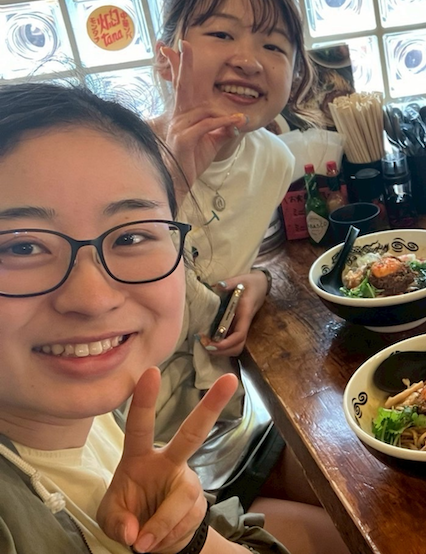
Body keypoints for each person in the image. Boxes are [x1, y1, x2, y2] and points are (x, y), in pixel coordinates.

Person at [0, 81, 311, 553]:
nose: (92, 298)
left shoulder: (97, 412)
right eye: (21, 246)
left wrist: (184, 539)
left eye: (128, 237)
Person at [146, 0, 341, 522]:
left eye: (275, 46)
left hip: (220, 419)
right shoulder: (122, 159)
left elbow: (234, 259)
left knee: (375, 497)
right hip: (123, 445)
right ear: (168, 56)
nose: (249, 60)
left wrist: (255, 282)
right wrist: (171, 179)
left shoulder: (274, 159)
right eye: (221, 34)